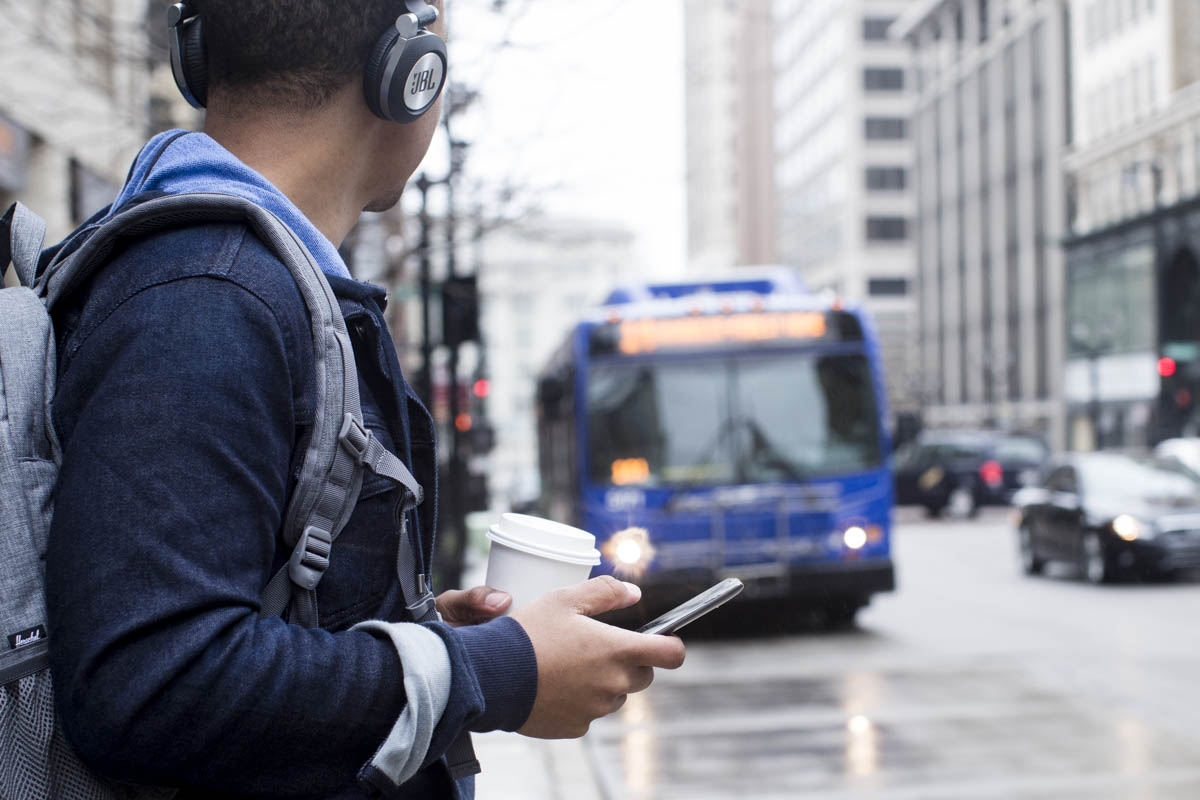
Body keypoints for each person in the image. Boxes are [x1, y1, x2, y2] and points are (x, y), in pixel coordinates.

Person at [43, 1, 685, 797]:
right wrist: (492, 669)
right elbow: (152, 683)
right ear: (412, 72)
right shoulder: (208, 295)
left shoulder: (252, 284)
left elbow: (239, 615)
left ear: (194, 51)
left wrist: (422, 639)